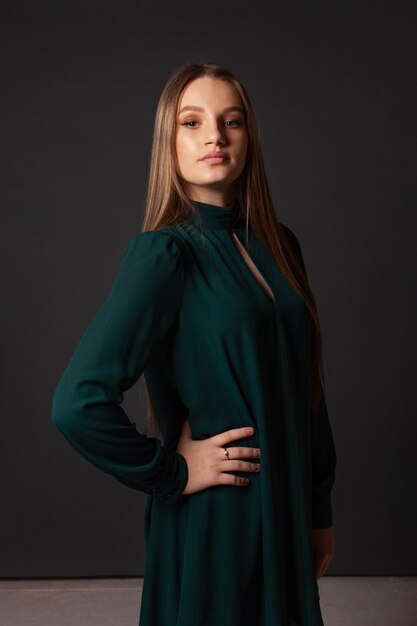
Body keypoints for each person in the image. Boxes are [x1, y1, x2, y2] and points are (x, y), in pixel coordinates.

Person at [51, 61, 337, 626]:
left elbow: (307, 389)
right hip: (218, 519)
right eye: (192, 121)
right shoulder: (164, 256)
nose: (215, 135)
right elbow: (76, 403)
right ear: (169, 140)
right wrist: (172, 473)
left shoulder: (281, 246)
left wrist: (318, 509)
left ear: (248, 137)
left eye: (232, 121)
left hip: (285, 509)